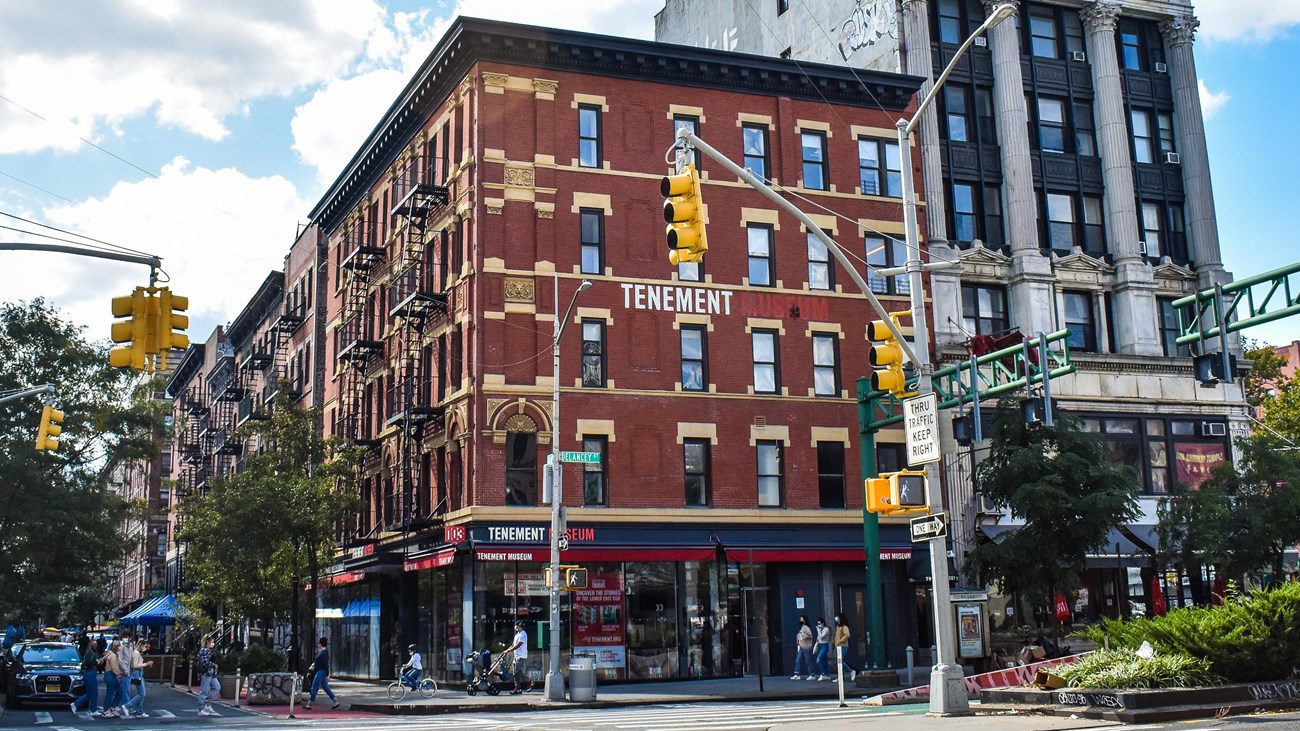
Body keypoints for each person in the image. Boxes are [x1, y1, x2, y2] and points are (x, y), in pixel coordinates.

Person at [305, 637, 339, 710]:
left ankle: (310, 703)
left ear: (321, 644)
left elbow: (325, 664)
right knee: (325, 687)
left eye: (318, 643)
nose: (318, 644)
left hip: (321, 671)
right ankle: (335, 701)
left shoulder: (324, 653)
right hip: (320, 671)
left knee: (314, 686)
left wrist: (327, 675)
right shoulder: (322, 652)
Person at [70, 635, 99, 715]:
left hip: (90, 673)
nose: (95, 646)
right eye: (94, 644)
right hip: (90, 673)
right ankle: (92, 709)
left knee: (91, 693)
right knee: (93, 692)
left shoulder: (90, 653)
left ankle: (76, 704)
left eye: (96, 644)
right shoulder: (89, 653)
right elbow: (88, 663)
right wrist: (96, 662)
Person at [124, 639, 155, 717]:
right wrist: (146, 664)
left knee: (141, 693)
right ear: (141, 645)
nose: (145, 648)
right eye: (145, 646)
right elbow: (135, 665)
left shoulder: (136, 653)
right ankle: (127, 706)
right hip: (137, 673)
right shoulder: (136, 653)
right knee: (142, 694)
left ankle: (140, 711)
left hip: (139, 673)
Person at [100, 638, 126, 718]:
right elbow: (114, 668)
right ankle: (106, 710)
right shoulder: (113, 656)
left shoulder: (111, 654)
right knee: (110, 693)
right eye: (119, 646)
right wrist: (119, 675)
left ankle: (112, 707)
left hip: (110, 675)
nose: (120, 647)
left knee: (119, 691)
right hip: (111, 675)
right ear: (115, 647)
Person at [196, 636, 221, 716]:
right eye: (212, 642)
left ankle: (208, 704)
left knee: (217, 687)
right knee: (204, 691)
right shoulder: (204, 651)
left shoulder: (209, 651)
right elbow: (204, 662)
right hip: (206, 673)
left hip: (211, 673)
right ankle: (201, 709)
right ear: (208, 642)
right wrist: (214, 665)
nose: (213, 644)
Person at [503, 620, 529, 694]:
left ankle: (530, 682)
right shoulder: (517, 635)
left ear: (519, 626)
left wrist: (509, 651)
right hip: (516, 656)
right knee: (515, 673)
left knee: (518, 671)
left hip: (521, 656)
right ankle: (518, 688)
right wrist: (507, 650)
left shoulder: (523, 634)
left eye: (516, 625)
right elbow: (513, 644)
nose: (515, 627)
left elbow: (518, 645)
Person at [833, 613, 857, 681]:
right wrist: (834, 643)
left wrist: (840, 641)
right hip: (838, 646)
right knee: (839, 662)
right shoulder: (838, 627)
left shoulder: (844, 627)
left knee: (840, 661)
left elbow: (847, 635)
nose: (837, 619)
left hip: (843, 646)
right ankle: (840, 677)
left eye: (838, 617)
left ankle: (851, 671)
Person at [791, 615, 814, 680]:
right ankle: (796, 673)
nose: (800, 620)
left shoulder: (806, 628)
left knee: (808, 661)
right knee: (798, 659)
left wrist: (803, 637)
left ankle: (812, 674)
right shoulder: (802, 627)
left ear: (804, 620)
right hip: (801, 646)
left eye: (801, 619)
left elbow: (810, 635)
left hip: (806, 647)